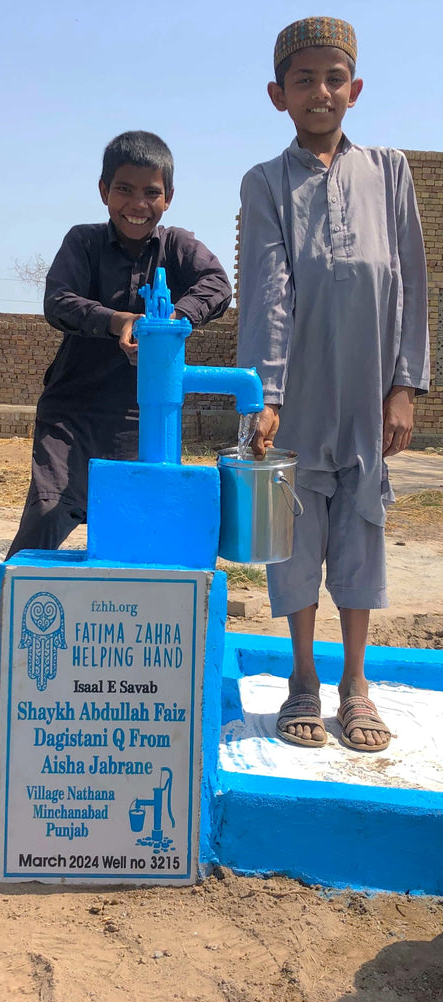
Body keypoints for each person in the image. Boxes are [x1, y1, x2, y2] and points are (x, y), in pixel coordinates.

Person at [0, 130, 232, 727]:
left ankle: (116, 671)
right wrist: (116, 321)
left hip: (140, 419)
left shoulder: (177, 248)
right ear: (104, 191)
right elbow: (58, 301)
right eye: (124, 189)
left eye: (151, 192)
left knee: (133, 539)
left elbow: (217, 285)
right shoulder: (82, 242)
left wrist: (172, 320)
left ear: (168, 197)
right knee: (45, 519)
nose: (138, 202)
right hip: (72, 413)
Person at [237, 17, 430, 752]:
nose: (318, 92)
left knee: (362, 532)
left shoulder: (388, 170)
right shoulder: (265, 182)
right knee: (294, 536)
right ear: (276, 95)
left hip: (369, 393)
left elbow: (409, 280)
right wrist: (268, 395)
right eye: (301, 80)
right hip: (299, 396)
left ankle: (354, 685)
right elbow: (268, 293)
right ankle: (301, 682)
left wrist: (404, 384)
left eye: (331, 78)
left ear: (353, 88)